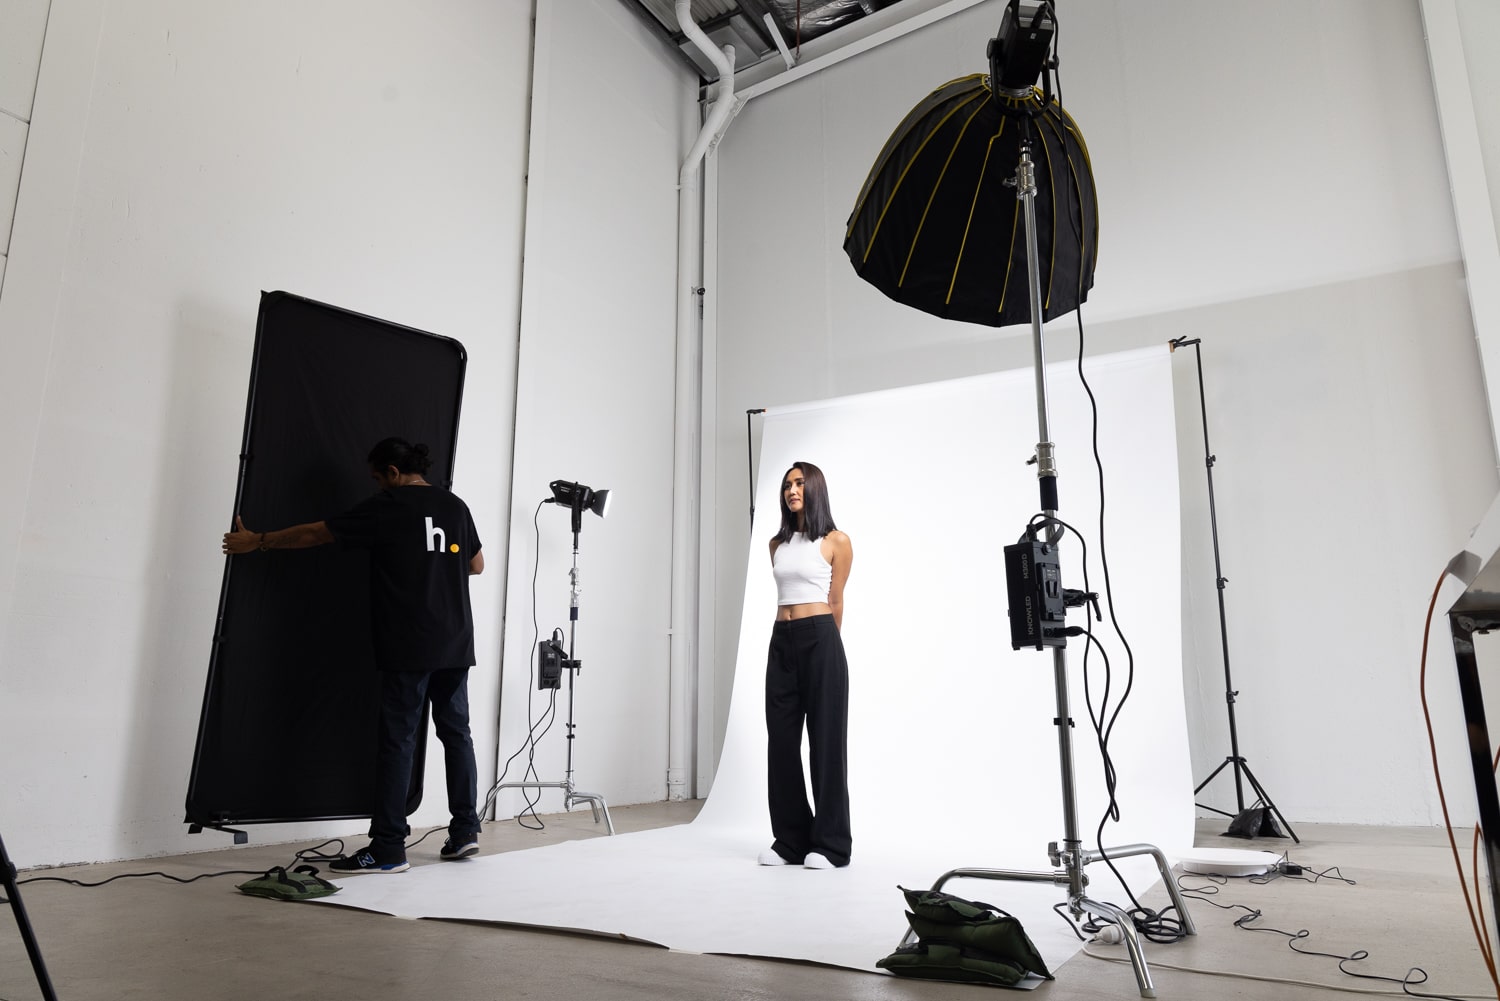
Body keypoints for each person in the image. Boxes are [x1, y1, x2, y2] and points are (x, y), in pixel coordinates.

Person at [222, 437, 484, 874]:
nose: (378, 486)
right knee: (456, 735)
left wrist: (259, 541)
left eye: (379, 478)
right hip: (455, 641)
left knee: (398, 742)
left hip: (410, 642)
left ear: (394, 474)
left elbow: (316, 533)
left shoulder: (389, 505)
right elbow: (476, 564)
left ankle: (387, 849)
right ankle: (465, 833)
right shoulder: (456, 506)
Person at [759, 460, 854, 870]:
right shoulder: (776, 545)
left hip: (821, 640)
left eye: (799, 483)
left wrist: (826, 649)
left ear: (814, 488)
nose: (791, 490)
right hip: (782, 639)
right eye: (786, 485)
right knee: (781, 742)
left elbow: (836, 602)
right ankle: (791, 840)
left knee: (826, 742)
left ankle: (831, 845)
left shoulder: (836, 540)